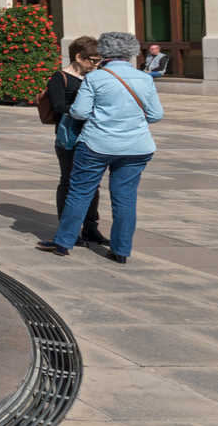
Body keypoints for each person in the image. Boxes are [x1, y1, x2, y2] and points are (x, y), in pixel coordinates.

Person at [39, 31, 163, 264]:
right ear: (131, 53)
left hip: (97, 144)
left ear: (104, 52)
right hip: (136, 146)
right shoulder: (144, 78)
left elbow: (79, 112)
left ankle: (64, 243)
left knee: (80, 192)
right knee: (125, 198)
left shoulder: (95, 78)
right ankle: (121, 250)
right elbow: (156, 114)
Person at [44, 36, 107, 246]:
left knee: (92, 184)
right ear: (79, 57)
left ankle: (91, 227)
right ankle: (68, 228)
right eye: (94, 60)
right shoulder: (59, 78)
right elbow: (58, 106)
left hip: (92, 137)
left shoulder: (95, 77)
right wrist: (83, 111)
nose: (97, 65)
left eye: (100, 61)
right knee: (69, 182)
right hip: (69, 139)